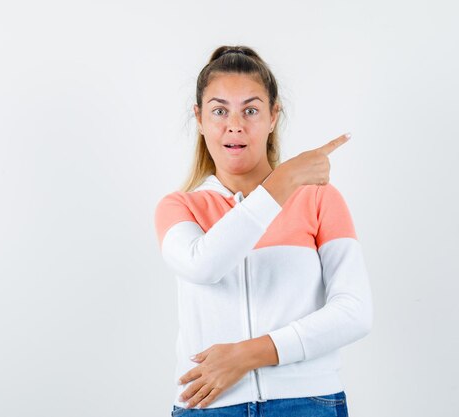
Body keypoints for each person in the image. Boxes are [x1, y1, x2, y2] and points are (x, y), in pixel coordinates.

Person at [154, 45, 373, 417]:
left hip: (308, 402)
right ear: (200, 118)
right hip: (208, 407)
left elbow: (355, 312)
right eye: (219, 110)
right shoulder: (179, 207)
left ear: (274, 116)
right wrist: (281, 182)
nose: (235, 125)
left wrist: (247, 355)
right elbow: (203, 266)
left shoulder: (318, 199)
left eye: (251, 110)